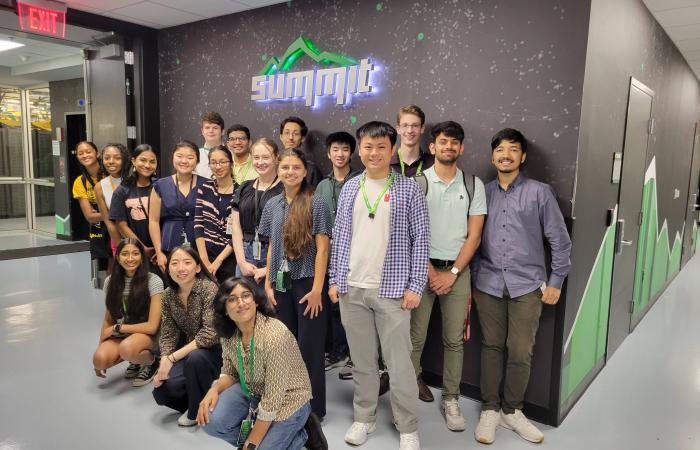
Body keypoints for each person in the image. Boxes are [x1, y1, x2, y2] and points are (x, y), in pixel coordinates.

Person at [328, 121, 429, 450]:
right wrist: (335, 279)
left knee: (400, 365)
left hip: (393, 290)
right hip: (351, 289)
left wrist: (416, 286)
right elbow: (340, 237)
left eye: (381, 147)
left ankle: (408, 426)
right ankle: (364, 418)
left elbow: (422, 241)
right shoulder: (351, 188)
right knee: (363, 362)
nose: (374, 153)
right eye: (368, 147)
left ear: (393, 149)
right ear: (360, 150)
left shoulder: (409, 188)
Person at [472, 128, 571, 445]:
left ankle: (512, 410)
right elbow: (470, 238)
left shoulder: (540, 192)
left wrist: (556, 280)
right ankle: (490, 408)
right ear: (492, 156)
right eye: (500, 149)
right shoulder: (482, 192)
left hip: (528, 285)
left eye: (513, 149)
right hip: (487, 282)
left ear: (522, 156)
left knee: (520, 350)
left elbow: (560, 241)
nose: (505, 154)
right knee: (490, 346)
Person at [409, 121, 487, 430]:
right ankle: (406, 389)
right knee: (414, 338)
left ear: (462, 148)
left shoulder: (473, 185)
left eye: (454, 142)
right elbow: (411, 233)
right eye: (443, 142)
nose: (449, 147)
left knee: (454, 340)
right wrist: (429, 271)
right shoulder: (417, 183)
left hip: (458, 272)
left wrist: (452, 273)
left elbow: (475, 236)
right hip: (422, 269)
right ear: (432, 147)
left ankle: (451, 398)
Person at [198, 277, 327, 450]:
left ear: (256, 301)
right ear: (225, 309)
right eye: (232, 299)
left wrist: (251, 445)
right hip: (253, 389)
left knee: (259, 446)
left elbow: (273, 399)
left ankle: (304, 433)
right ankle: (283, 439)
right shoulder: (228, 333)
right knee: (210, 422)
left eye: (246, 296)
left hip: (288, 398)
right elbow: (230, 371)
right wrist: (214, 389)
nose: (241, 303)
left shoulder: (275, 336)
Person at [259, 148, 332, 419]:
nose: (290, 172)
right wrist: (267, 283)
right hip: (280, 284)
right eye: (285, 167)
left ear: (304, 171)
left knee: (309, 348)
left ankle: (313, 411)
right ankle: (288, 401)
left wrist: (317, 290)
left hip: (308, 284)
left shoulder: (317, 202)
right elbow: (269, 247)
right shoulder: (272, 204)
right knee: (283, 346)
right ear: (278, 170)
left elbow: (323, 249)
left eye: (295, 167)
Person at [152, 245, 221, 427]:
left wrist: (173, 357)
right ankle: (202, 399)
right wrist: (164, 362)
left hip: (217, 352)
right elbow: (168, 335)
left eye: (187, 262)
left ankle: (194, 412)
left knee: (196, 358)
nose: (180, 268)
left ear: (198, 267)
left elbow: (209, 335)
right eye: (174, 263)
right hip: (190, 353)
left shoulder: (209, 288)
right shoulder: (167, 295)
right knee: (162, 392)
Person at [314, 132, 360, 373]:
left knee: (355, 306)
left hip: (355, 253)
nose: (340, 154)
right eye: (335, 149)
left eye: (344, 149)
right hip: (327, 253)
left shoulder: (360, 181)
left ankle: (357, 355)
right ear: (328, 153)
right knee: (332, 304)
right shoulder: (322, 185)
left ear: (351, 153)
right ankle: (338, 352)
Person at [92, 239, 163, 387]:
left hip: (150, 335)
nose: (130, 258)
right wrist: (101, 344)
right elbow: (108, 320)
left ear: (142, 257)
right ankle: (135, 359)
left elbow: (152, 327)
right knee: (99, 359)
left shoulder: (153, 281)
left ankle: (152, 361)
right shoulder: (110, 281)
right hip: (126, 334)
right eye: (125, 254)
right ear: (118, 257)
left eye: (135, 253)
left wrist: (118, 328)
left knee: (127, 349)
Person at [231, 138, 283, 283]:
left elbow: (290, 232)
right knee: (244, 303)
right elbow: (235, 227)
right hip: (245, 255)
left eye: (266, 157)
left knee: (271, 304)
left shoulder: (286, 189)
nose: (260, 162)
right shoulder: (244, 187)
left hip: (275, 256)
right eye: (256, 157)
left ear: (276, 158)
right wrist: (241, 262)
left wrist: (270, 268)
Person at [149, 141, 206, 273]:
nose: (184, 161)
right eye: (179, 156)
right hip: (169, 246)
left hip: (200, 248)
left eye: (190, 157)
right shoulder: (160, 185)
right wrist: (158, 252)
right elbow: (153, 221)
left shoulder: (207, 185)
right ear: (172, 158)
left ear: (197, 161)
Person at [110, 144, 159, 270]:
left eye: (152, 161)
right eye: (143, 160)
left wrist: (159, 248)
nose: (147, 165)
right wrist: (142, 248)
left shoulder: (161, 187)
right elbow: (121, 224)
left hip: (161, 251)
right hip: (135, 252)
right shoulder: (122, 191)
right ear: (133, 161)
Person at [194, 145, 236, 284]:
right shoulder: (205, 188)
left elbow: (238, 232)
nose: (218, 166)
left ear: (231, 163)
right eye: (213, 162)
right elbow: (198, 225)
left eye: (223, 162)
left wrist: (219, 260)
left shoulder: (241, 191)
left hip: (230, 257)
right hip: (205, 255)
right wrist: (204, 259)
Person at [71, 141, 110, 269]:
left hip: (119, 226)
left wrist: (99, 213)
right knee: (106, 268)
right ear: (77, 157)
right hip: (99, 230)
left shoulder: (110, 175)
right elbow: (89, 216)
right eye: (80, 153)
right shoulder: (80, 182)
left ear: (97, 153)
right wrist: (110, 213)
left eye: (88, 152)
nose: (85, 155)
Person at [95, 143, 130, 254]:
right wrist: (121, 248)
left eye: (117, 158)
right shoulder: (100, 187)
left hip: (142, 237)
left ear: (124, 160)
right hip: (118, 240)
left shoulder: (135, 181)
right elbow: (108, 222)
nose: (111, 161)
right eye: (107, 158)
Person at [391, 105, 434, 177]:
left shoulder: (433, 164)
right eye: (405, 125)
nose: (410, 131)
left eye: (415, 126)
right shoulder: (386, 163)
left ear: (422, 128)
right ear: (398, 129)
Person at [279, 116, 323, 187]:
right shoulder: (273, 166)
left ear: (302, 138)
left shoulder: (311, 169)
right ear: (281, 137)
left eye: (296, 134)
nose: (291, 137)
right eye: (287, 133)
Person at [196, 111, 225, 178]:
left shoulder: (232, 154)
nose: (211, 131)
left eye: (215, 128)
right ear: (202, 131)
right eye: (207, 128)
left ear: (222, 131)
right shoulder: (195, 155)